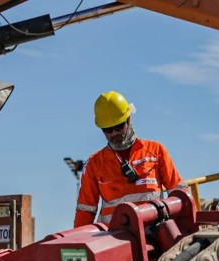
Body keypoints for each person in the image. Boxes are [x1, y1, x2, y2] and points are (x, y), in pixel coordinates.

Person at [74, 91, 191, 227]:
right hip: (113, 239)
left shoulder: (155, 150)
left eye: (119, 127)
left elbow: (179, 194)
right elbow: (85, 210)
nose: (114, 134)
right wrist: (76, 242)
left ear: (129, 120)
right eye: (108, 130)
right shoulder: (94, 163)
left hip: (154, 234)